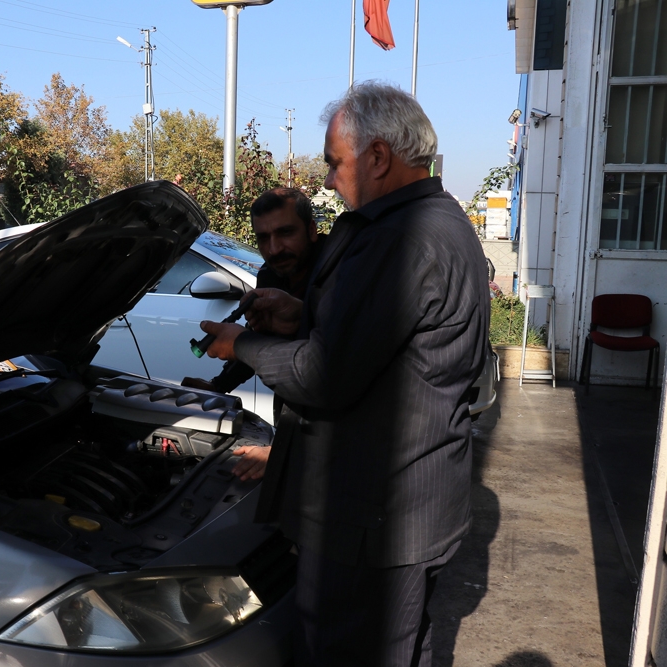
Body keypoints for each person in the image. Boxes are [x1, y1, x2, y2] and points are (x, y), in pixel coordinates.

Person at [199, 82, 490, 666]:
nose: (329, 180)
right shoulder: (436, 218)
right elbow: (386, 342)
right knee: (403, 648)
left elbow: (325, 375)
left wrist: (244, 344)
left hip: (376, 519)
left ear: (378, 157)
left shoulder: (402, 239)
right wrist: (300, 315)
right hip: (407, 506)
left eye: (335, 163)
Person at [181, 187, 325, 483]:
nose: (274, 249)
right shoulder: (270, 275)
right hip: (290, 411)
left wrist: (286, 453)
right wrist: (217, 387)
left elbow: (343, 369)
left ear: (311, 230)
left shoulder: (341, 271)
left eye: (285, 233)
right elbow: (260, 336)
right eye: (263, 238)